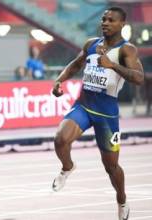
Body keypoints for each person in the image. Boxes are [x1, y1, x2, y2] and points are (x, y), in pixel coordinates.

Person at [51, 7, 144, 220]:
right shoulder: (91, 44)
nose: (106, 23)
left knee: (111, 167)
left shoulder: (126, 50)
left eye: (111, 20)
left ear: (122, 24)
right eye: (104, 19)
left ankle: (122, 199)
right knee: (60, 139)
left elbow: (139, 78)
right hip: (83, 105)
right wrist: (59, 80)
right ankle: (68, 167)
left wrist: (112, 66)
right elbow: (75, 65)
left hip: (107, 113)